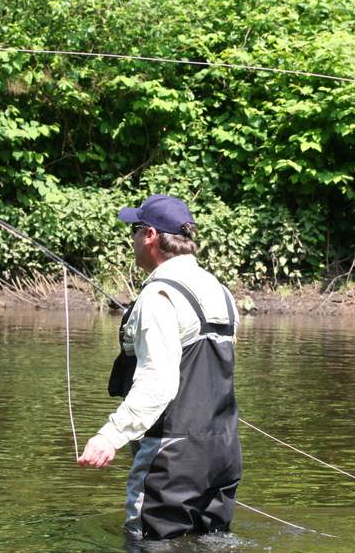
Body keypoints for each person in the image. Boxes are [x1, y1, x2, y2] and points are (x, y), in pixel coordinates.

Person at [78, 194, 242, 540]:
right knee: (210, 543)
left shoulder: (158, 297)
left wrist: (111, 435)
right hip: (223, 450)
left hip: (172, 456)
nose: (133, 239)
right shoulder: (221, 291)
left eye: (135, 231)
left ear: (150, 235)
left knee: (151, 545)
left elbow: (159, 381)